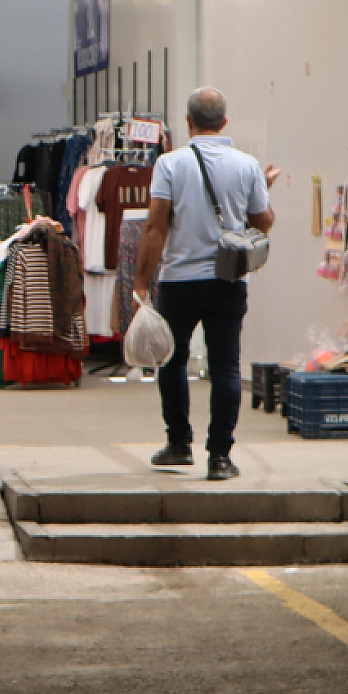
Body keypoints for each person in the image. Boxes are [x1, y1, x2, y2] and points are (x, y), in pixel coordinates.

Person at [132, 87, 280, 482]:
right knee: (226, 368)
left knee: (172, 360)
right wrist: (263, 187)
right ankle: (219, 457)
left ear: (188, 121)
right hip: (228, 280)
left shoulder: (170, 164)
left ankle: (179, 443)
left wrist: (142, 283)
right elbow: (263, 222)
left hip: (179, 282)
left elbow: (155, 226)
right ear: (225, 122)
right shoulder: (247, 165)